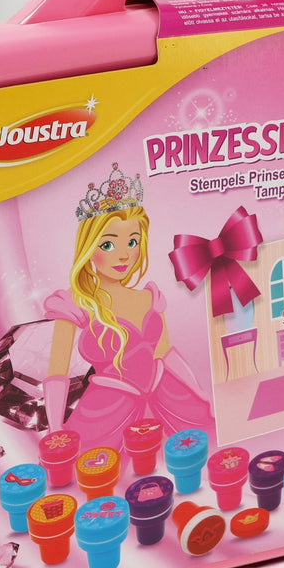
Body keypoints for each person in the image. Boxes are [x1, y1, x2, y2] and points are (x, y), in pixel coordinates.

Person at [42, 163, 214, 451]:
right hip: (109, 407)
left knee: (200, 445)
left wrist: (197, 390)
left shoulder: (148, 297)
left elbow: (166, 353)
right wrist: (54, 426)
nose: (124, 254)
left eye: (132, 242)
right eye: (108, 245)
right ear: (89, 249)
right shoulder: (77, 303)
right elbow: (57, 374)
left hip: (167, 395)